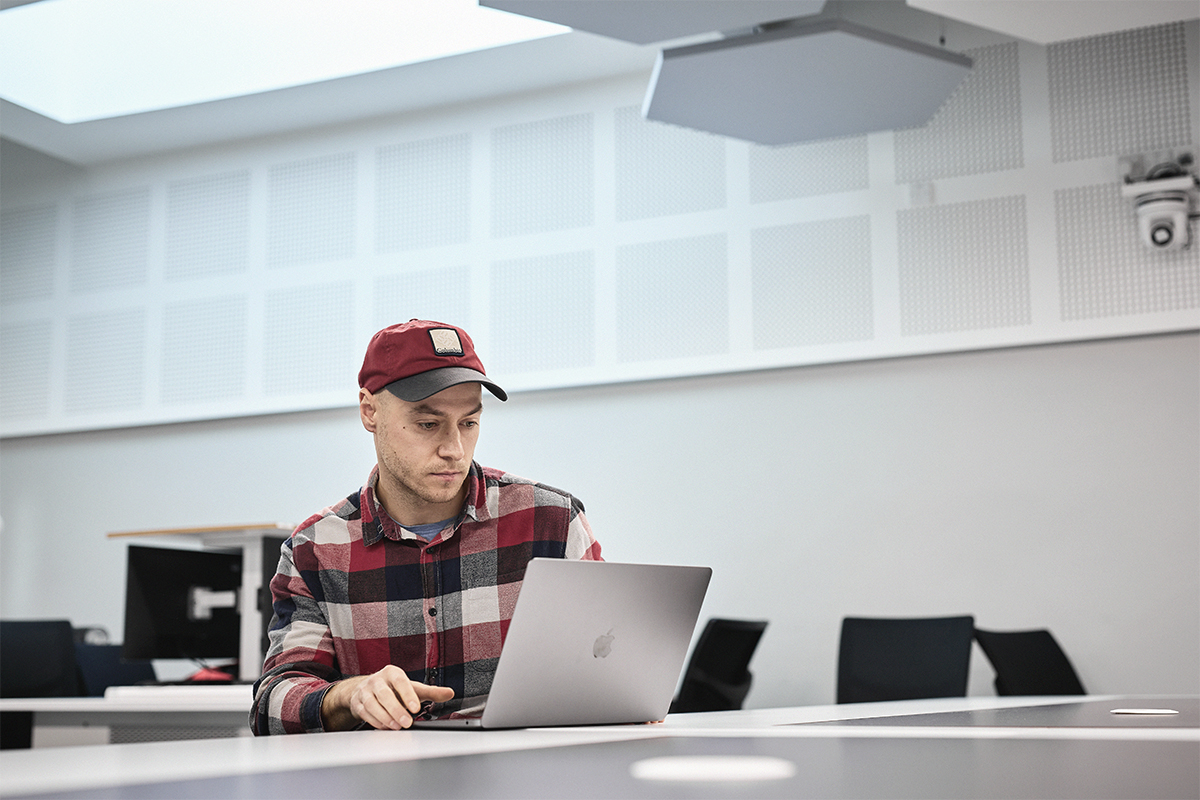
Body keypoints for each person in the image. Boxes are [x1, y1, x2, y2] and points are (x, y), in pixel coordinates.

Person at [251, 320, 602, 735]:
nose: (454, 449)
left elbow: (602, 668)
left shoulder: (553, 523)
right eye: (427, 424)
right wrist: (349, 695)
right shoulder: (315, 549)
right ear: (370, 411)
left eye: (469, 423)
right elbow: (272, 706)